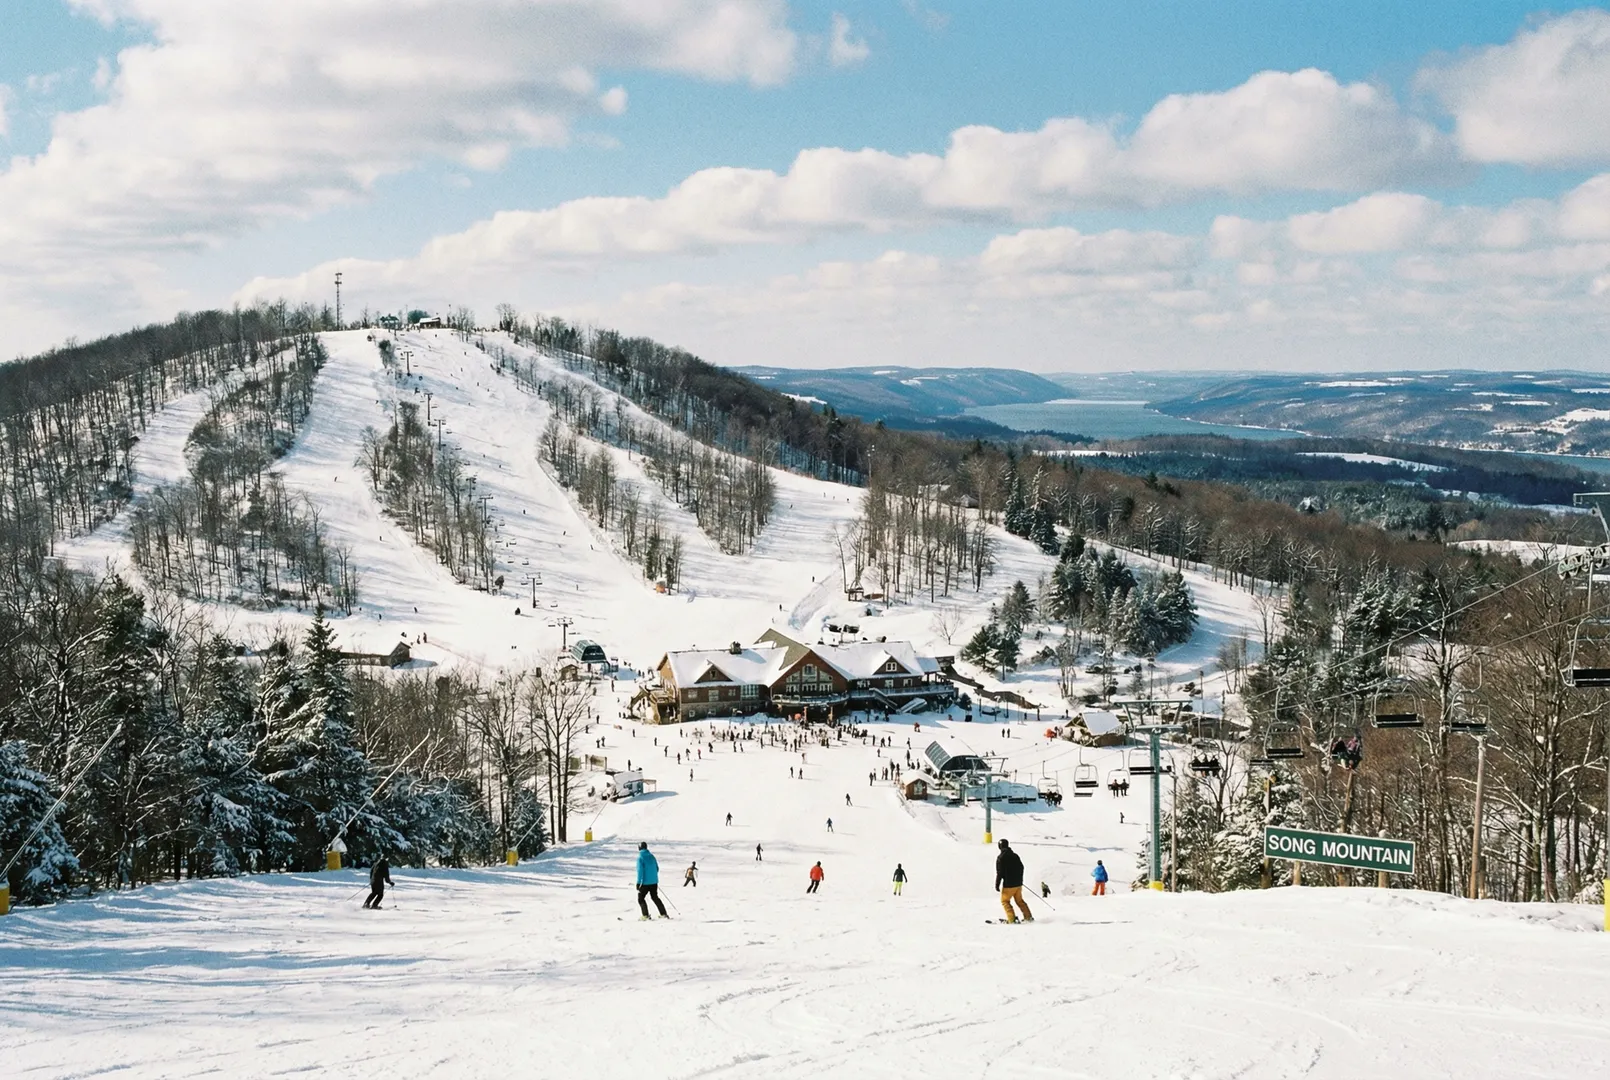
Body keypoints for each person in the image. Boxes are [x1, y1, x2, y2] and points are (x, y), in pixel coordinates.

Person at [994, 839, 1032, 923]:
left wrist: (997, 884)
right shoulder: (1015, 856)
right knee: (1019, 901)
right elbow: (1021, 867)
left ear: (1000, 847)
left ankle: (1011, 919)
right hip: (1018, 884)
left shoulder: (1001, 858)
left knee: (1005, 901)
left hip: (1008, 885)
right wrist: (1019, 879)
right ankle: (1028, 916)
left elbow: (999, 873)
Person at [636, 841, 668, 919]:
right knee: (655, 897)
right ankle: (663, 914)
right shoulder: (652, 856)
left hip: (645, 883)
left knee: (641, 898)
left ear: (639, 848)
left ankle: (645, 915)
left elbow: (640, 871)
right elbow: (657, 868)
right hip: (654, 882)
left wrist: (638, 883)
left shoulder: (640, 857)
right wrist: (653, 877)